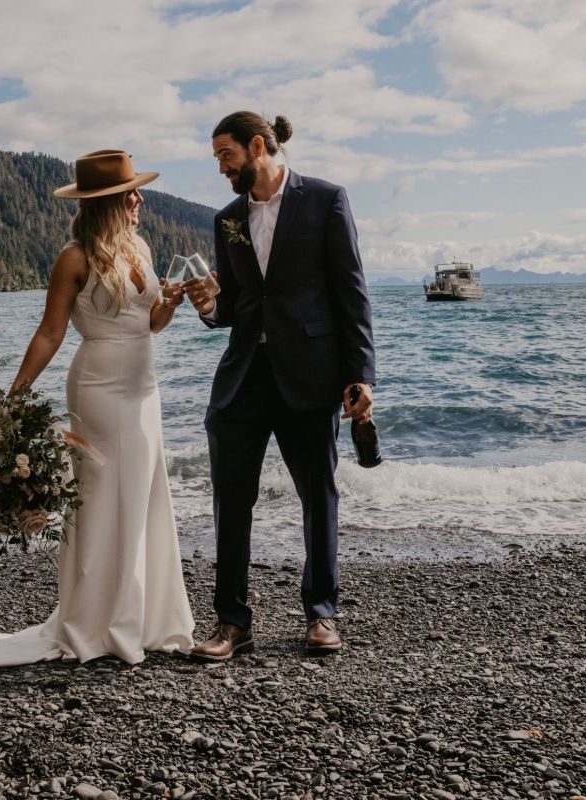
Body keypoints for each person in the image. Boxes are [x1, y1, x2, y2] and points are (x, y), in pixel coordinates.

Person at [0, 149, 194, 667]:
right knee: (99, 498)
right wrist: (11, 402)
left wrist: (168, 306)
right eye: (131, 194)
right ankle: (96, 621)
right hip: (98, 388)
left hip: (144, 390)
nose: (140, 200)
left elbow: (148, 324)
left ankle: (143, 617)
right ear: (109, 202)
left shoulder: (140, 247)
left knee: (143, 494)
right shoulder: (74, 258)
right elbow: (50, 333)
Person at [185, 112, 375, 660]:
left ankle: (321, 614)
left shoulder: (326, 200)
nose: (221, 167)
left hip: (311, 375)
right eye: (216, 158)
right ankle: (232, 623)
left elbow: (351, 291)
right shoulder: (227, 220)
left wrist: (361, 375)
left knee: (318, 495)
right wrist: (208, 305)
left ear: (257, 146)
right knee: (230, 499)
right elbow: (234, 307)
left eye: (226, 155)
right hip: (243, 377)